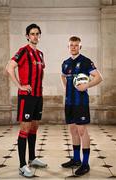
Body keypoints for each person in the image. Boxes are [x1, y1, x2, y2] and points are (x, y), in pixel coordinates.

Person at [6, 23, 47, 178]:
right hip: (27, 97)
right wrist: (20, 86)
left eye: (37, 34)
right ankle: (22, 165)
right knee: (24, 129)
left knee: (34, 127)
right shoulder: (23, 51)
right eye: (32, 34)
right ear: (27, 36)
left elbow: (41, 73)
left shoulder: (41, 54)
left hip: (38, 96)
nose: (35, 36)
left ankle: (32, 158)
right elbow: (9, 68)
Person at [61, 36, 103, 176]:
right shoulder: (65, 63)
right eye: (71, 45)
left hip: (81, 103)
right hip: (69, 102)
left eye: (76, 45)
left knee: (82, 131)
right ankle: (76, 159)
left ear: (80, 47)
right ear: (68, 47)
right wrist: (67, 88)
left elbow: (99, 77)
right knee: (73, 130)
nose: (73, 47)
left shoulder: (85, 62)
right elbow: (63, 76)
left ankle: (85, 164)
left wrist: (87, 85)